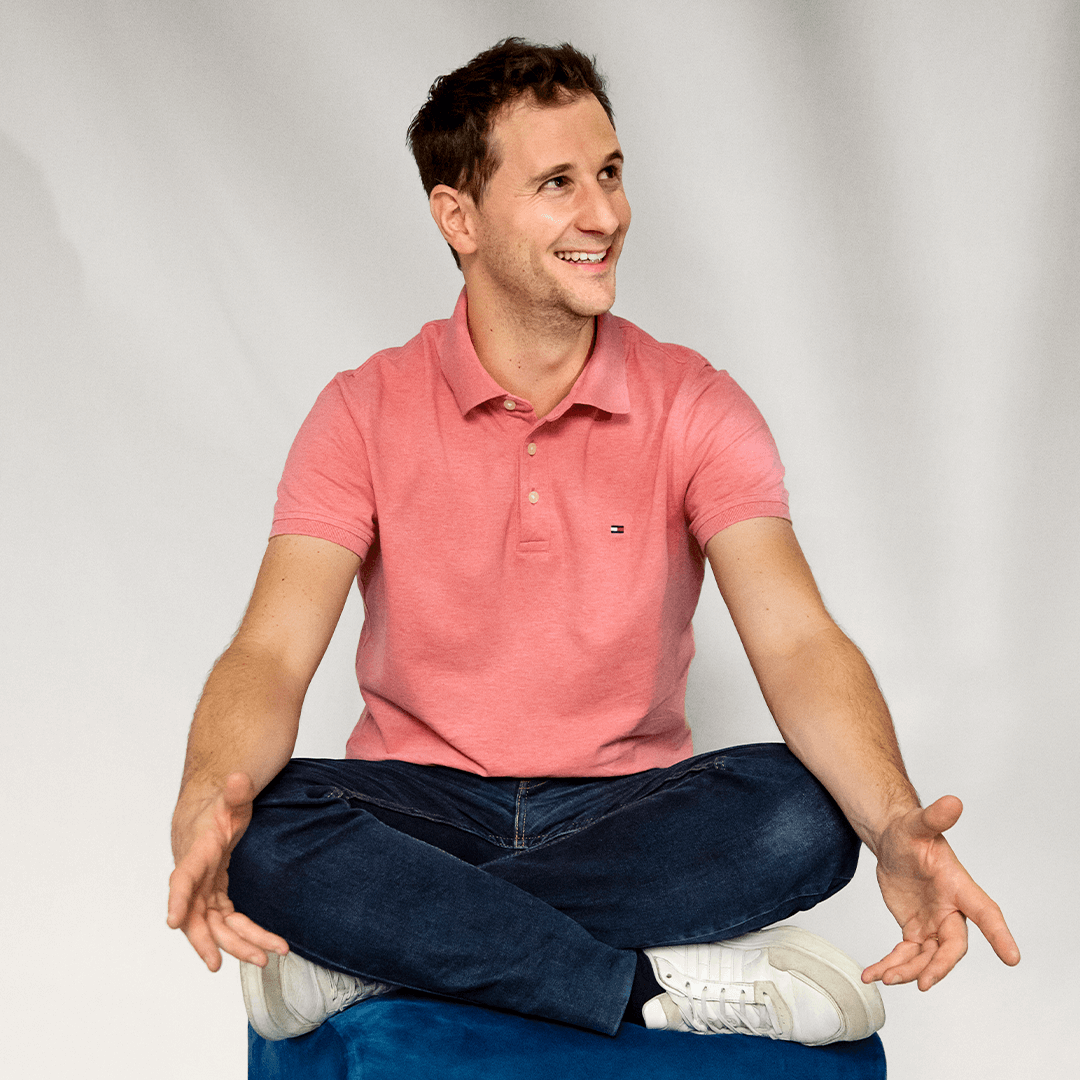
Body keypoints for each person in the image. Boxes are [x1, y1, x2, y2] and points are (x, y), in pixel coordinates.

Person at [167, 38, 1020, 1047]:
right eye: (558, 183)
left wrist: (895, 823)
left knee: (808, 812)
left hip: (627, 814)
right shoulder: (360, 411)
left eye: (610, 174)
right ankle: (644, 988)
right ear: (459, 217)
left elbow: (796, 640)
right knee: (267, 825)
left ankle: (374, 954)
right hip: (421, 804)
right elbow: (268, 652)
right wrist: (200, 802)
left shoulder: (697, 403)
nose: (605, 215)